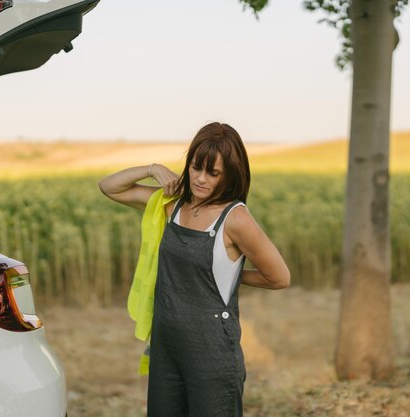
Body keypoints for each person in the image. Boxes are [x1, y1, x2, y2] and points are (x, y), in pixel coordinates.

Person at [98, 121, 290, 417]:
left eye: (213, 173)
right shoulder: (171, 206)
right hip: (167, 346)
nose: (201, 179)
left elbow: (279, 277)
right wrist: (153, 168)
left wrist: (229, 277)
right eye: (196, 168)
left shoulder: (235, 219)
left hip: (212, 351)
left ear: (230, 175)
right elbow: (109, 186)